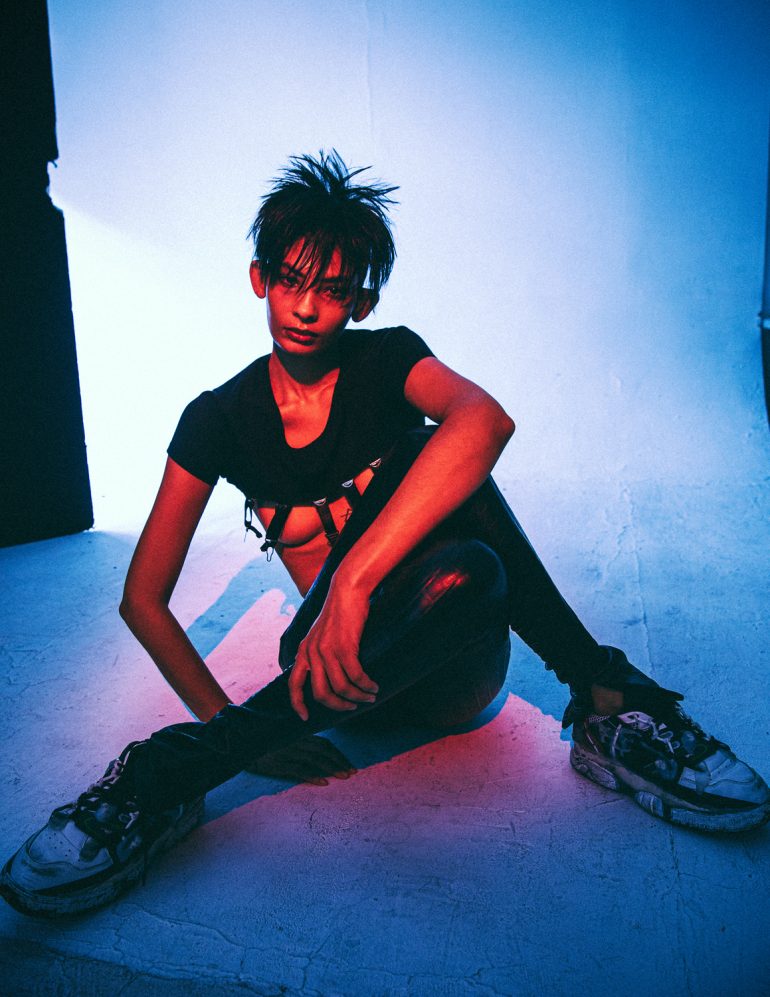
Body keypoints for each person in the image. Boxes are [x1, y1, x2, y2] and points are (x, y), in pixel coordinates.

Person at [2, 151, 768, 918]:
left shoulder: (388, 359)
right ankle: (599, 689)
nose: (307, 308)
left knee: (454, 496)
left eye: (333, 290)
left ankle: (173, 772)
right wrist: (232, 716)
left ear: (360, 302)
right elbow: (143, 598)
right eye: (291, 281)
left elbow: (487, 420)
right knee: (443, 483)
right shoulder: (219, 419)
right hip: (331, 681)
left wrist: (355, 579)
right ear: (259, 279)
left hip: (455, 659)